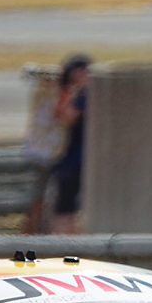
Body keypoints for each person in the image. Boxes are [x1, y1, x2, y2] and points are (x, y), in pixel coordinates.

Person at [51, 53, 90, 235]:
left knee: (66, 208)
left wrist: (68, 93)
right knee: (68, 207)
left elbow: (66, 117)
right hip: (75, 158)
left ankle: (65, 242)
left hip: (75, 160)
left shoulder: (83, 95)